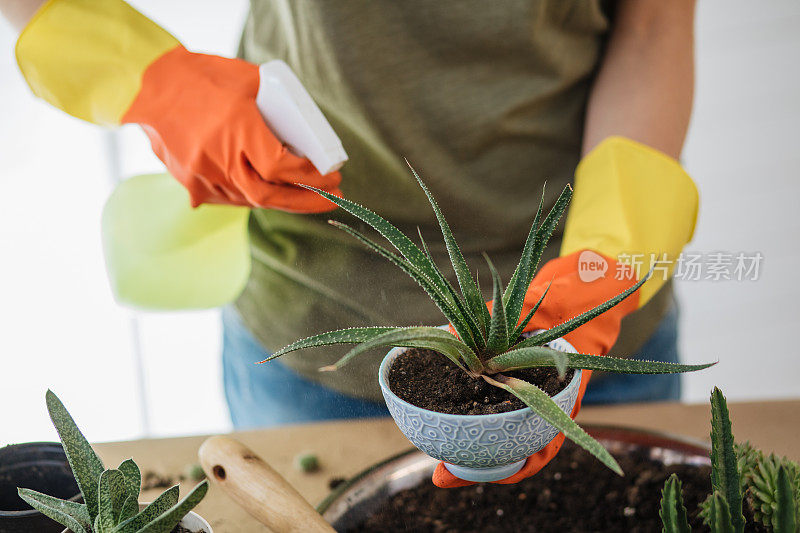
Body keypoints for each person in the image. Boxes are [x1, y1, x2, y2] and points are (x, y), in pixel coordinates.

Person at [3, 0, 698, 487]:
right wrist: (153, 82)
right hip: (320, 316)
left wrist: (610, 256)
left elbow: (653, 25)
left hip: (590, 319)